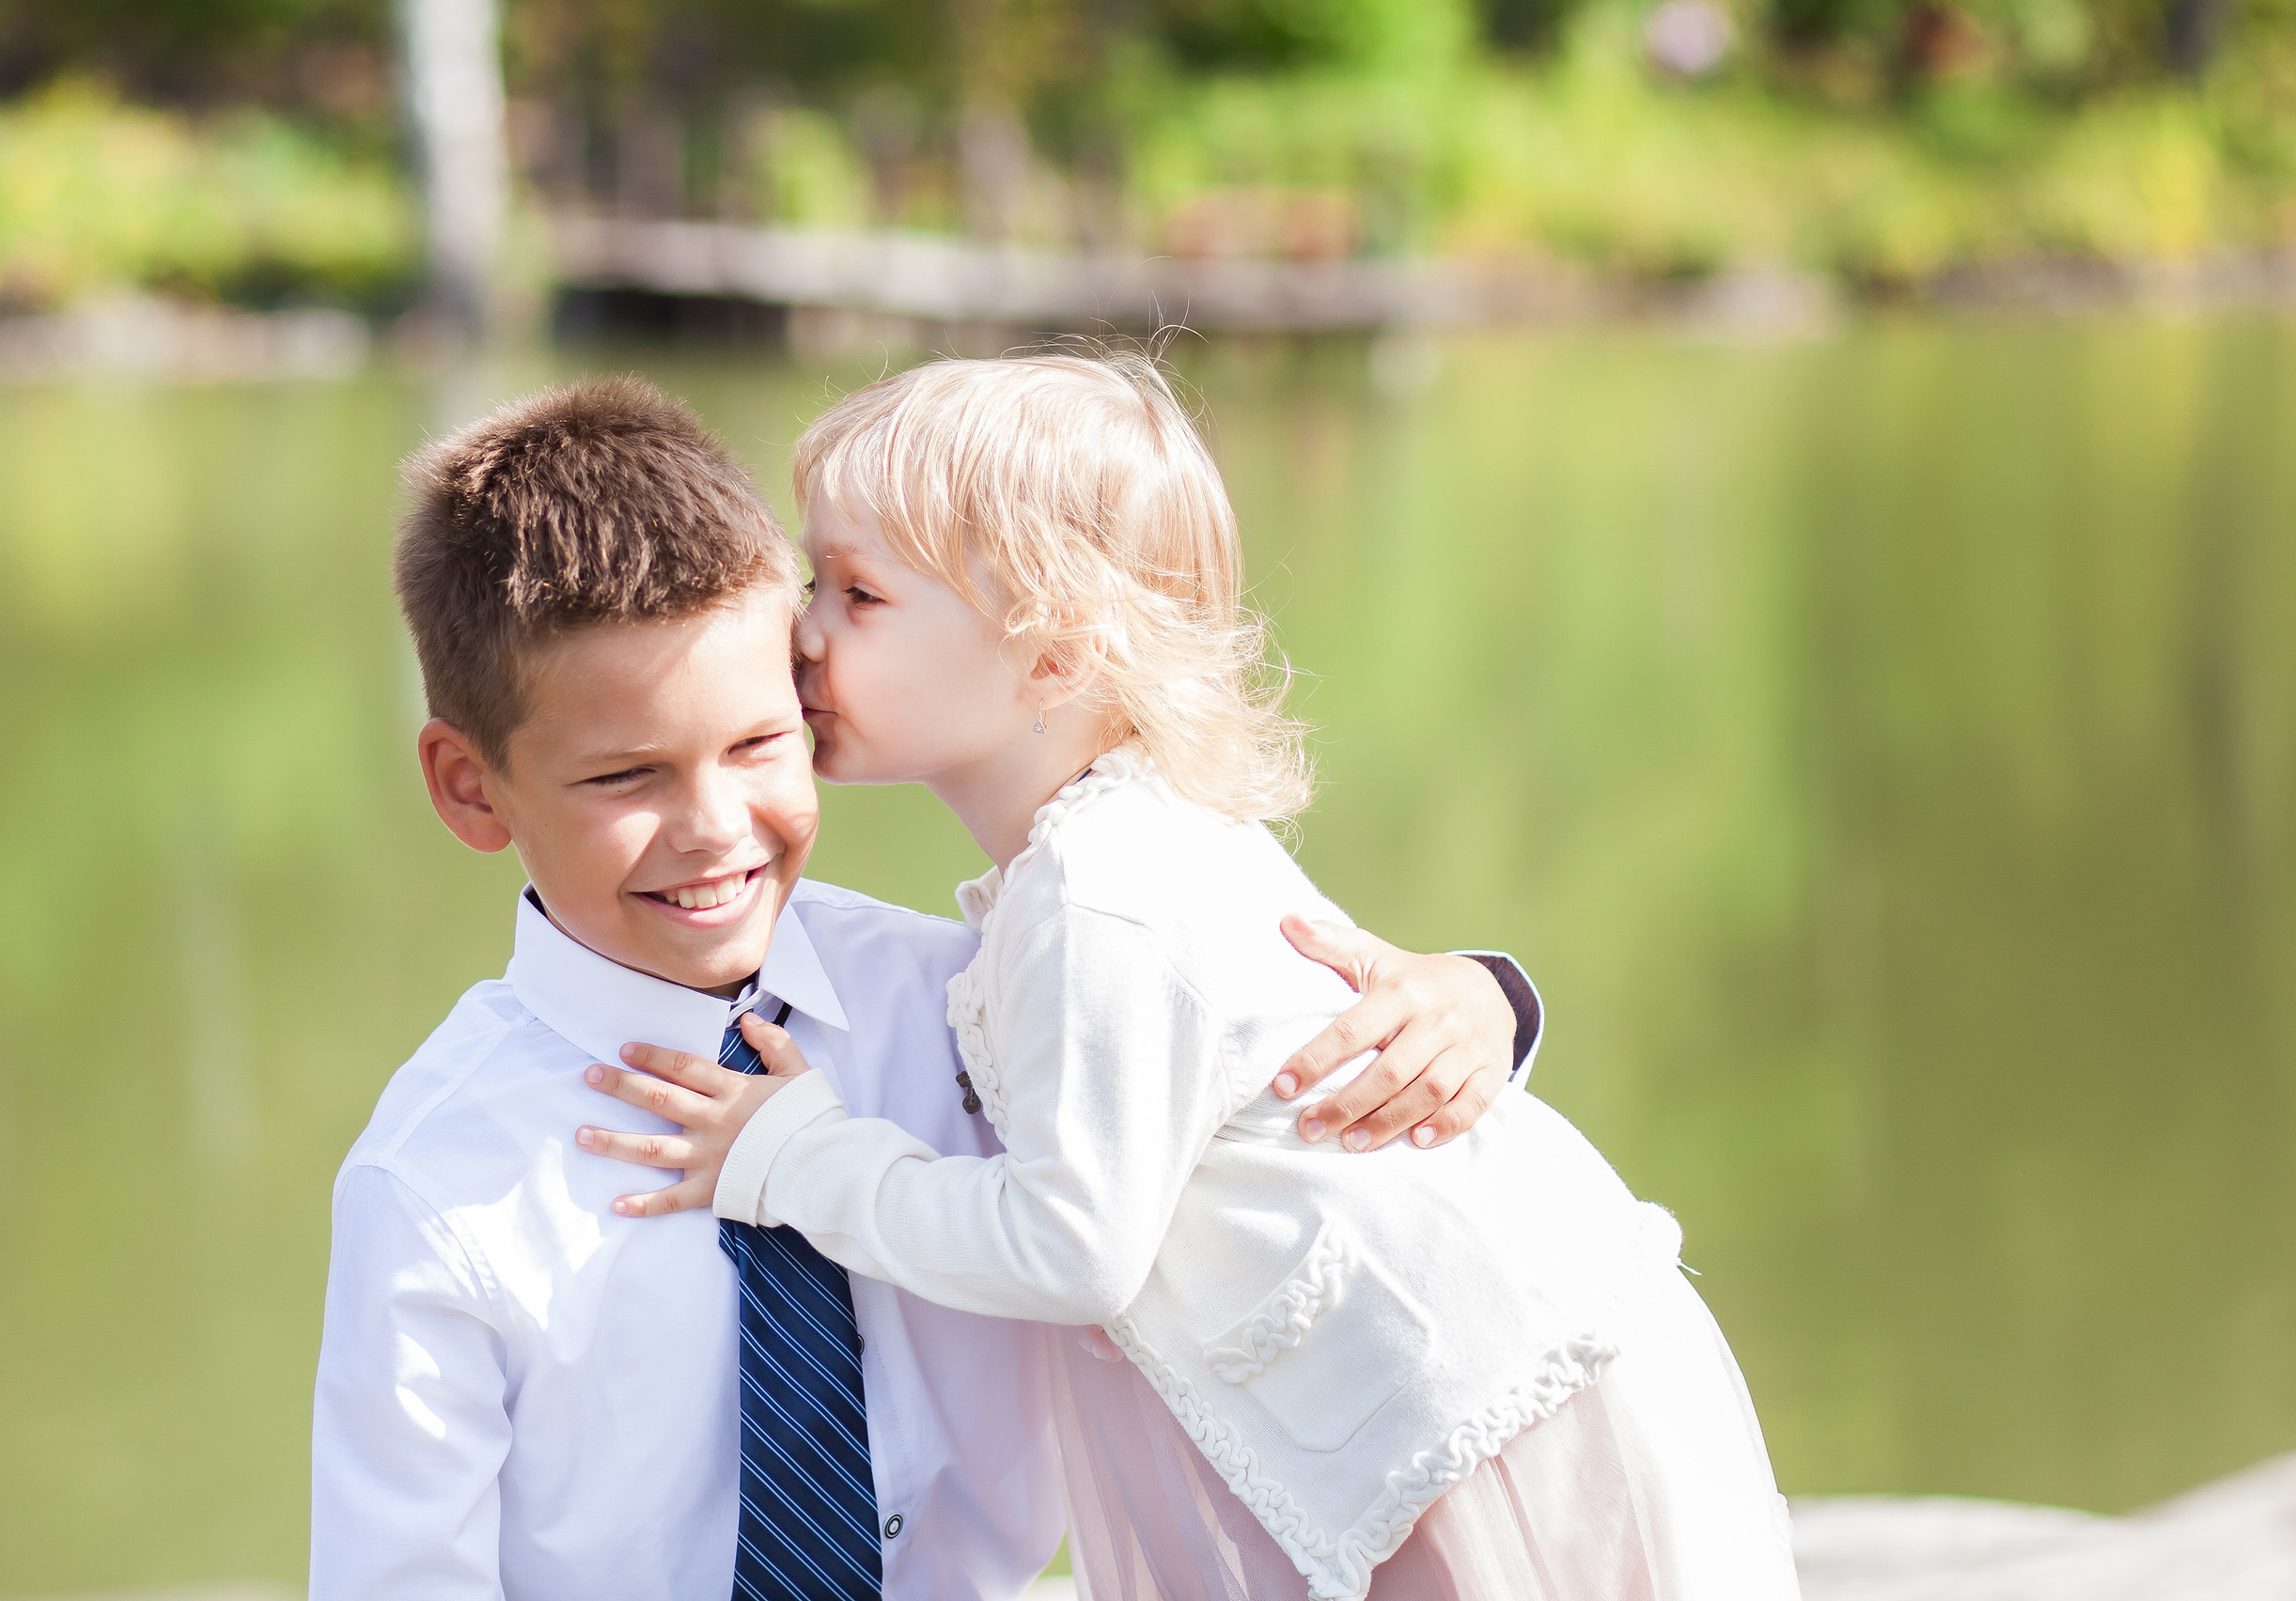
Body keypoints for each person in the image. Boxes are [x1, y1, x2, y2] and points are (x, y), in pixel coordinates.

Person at [581, 354, 1802, 1600]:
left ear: (1050, 657)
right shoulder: (1100, 861)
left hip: (1493, 1422)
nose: (802, 633)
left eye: (857, 594)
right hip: (1452, 1409)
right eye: (810, 580)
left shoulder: (1103, 892)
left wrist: (804, 1161)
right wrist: (1489, 990)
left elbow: (1070, 1249)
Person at [308, 376, 1545, 1600]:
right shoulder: (436, 1186)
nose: (714, 827)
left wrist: (1483, 1002)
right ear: (473, 788)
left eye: (758, 743)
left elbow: (1247, 1039)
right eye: (627, 777)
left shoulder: (978, 996)